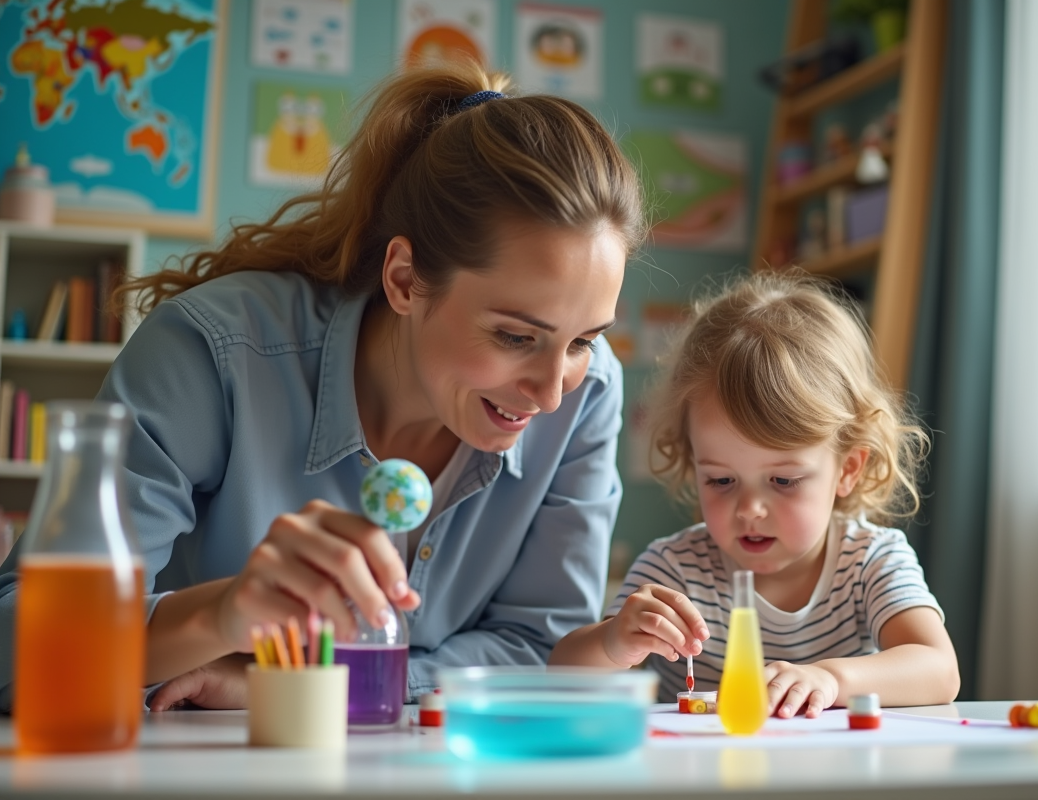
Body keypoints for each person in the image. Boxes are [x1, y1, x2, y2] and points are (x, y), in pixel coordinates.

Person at [0, 61, 646, 712]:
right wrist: (221, 616)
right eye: (514, 337)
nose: (552, 393)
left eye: (584, 340)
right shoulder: (215, 353)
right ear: (403, 279)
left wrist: (287, 682)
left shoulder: (588, 395)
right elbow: (13, 644)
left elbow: (541, 652)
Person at [551, 271, 960, 717]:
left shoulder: (869, 561)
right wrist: (612, 645)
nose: (749, 509)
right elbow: (564, 674)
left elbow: (939, 669)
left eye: (783, 481)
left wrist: (829, 678)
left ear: (847, 469)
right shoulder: (675, 569)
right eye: (721, 480)